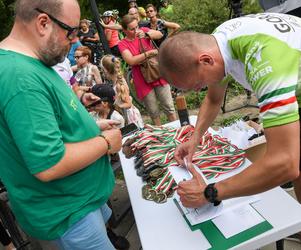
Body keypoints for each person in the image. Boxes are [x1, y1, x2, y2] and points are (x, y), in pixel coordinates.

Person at [0, 1, 123, 250]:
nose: (76, 39)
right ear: (43, 23)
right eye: (72, 31)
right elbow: (49, 163)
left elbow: (44, 122)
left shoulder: (30, 62)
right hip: (70, 214)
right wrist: (105, 142)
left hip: (81, 201)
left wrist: (80, 113)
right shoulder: (20, 77)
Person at [158, 13, 301, 208]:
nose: (199, 90)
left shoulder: (265, 59)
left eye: (198, 84)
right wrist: (195, 137)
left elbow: (285, 163)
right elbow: (214, 98)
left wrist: (211, 192)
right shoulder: (219, 43)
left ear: (206, 61)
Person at [119, 14, 177, 126]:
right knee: (153, 111)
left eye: (136, 27)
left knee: (169, 107)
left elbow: (160, 34)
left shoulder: (143, 31)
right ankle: (161, 135)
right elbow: (131, 61)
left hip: (156, 72)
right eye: (131, 29)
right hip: (141, 78)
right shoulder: (122, 44)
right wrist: (149, 53)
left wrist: (147, 34)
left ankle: (177, 130)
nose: (136, 30)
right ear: (124, 30)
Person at [100, 54, 144, 128]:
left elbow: (128, 104)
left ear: (106, 70)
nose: (102, 72)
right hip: (124, 113)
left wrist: (115, 105)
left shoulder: (119, 84)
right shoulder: (114, 82)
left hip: (129, 116)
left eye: (102, 69)